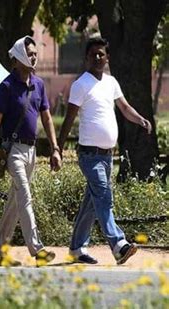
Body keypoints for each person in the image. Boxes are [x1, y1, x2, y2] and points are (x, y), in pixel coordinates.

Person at [58, 37, 152, 265]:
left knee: (92, 203)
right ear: (87, 58)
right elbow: (69, 119)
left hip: (108, 155)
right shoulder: (81, 85)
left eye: (102, 54)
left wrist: (140, 120)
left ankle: (77, 249)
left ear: (107, 58)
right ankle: (119, 245)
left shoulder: (111, 82)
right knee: (104, 197)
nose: (98, 58)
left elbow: (124, 107)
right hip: (89, 155)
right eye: (93, 54)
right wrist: (56, 149)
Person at [0, 36, 61, 266]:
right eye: (29, 54)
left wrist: (55, 148)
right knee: (24, 195)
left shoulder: (39, 85)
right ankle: (37, 249)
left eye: (35, 53)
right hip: (12, 151)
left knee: (14, 203)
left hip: (31, 152)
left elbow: (47, 117)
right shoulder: (6, 86)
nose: (34, 56)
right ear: (17, 59)